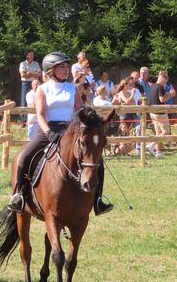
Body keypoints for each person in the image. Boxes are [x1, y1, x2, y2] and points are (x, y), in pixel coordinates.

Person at [8, 52, 113, 215]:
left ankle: (98, 200)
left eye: (66, 67)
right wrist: (49, 132)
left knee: (96, 160)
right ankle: (19, 196)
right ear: (51, 70)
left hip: (70, 131)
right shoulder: (42, 89)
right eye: (62, 67)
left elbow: (79, 110)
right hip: (47, 131)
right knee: (23, 157)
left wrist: (91, 117)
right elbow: (40, 115)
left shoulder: (72, 88)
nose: (66, 70)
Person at [148, 71, 175, 157]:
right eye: (166, 80)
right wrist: (170, 94)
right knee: (166, 132)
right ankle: (151, 145)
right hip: (160, 113)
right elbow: (162, 100)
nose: (165, 82)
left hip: (153, 112)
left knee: (158, 132)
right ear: (163, 78)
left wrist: (167, 94)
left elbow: (158, 98)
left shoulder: (153, 86)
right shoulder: (160, 87)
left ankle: (158, 152)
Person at [19, 50, 41, 125]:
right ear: (27, 56)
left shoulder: (36, 64)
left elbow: (39, 75)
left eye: (33, 55)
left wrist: (29, 73)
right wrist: (33, 73)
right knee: (24, 101)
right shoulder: (23, 64)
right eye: (30, 55)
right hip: (25, 83)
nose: (32, 56)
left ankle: (36, 117)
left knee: (36, 98)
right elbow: (22, 75)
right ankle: (23, 120)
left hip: (34, 83)